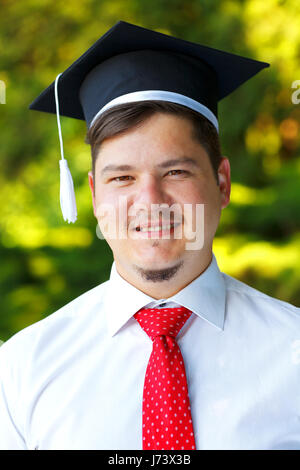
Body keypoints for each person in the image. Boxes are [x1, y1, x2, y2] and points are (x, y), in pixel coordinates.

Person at [0, 21, 299, 451]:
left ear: (222, 183)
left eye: (175, 171)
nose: (150, 200)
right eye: (122, 177)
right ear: (95, 195)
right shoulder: (22, 369)